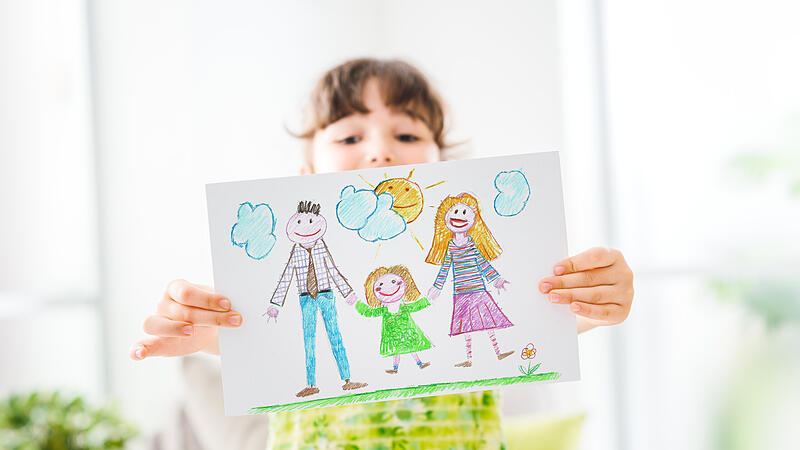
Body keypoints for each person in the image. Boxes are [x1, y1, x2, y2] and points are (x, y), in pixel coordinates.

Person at [131, 58, 635, 449]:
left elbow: (544, 318)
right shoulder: (295, 257)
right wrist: (201, 334)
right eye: (350, 135)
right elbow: (261, 340)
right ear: (305, 178)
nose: (379, 151)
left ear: (445, 166)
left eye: (408, 134)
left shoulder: (457, 245)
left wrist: (598, 298)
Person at [266, 200, 367, 397]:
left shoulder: (321, 247)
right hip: (306, 298)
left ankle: (347, 380)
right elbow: (287, 276)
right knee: (308, 339)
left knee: (335, 335)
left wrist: (348, 293)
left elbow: (332, 270)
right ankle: (311, 384)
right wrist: (275, 303)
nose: (306, 227)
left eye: (311, 221)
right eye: (300, 222)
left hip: (326, 295)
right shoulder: (296, 252)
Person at [426, 193, 514, 367]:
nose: (459, 216)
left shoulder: (472, 243)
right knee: (466, 327)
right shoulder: (450, 247)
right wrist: (436, 287)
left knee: (487, 322)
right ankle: (468, 359)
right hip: (461, 292)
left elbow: (482, 263)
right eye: (455, 211)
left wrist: (497, 280)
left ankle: (499, 352)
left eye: (465, 213)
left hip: (478, 289)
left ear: (474, 219)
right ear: (445, 218)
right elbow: (445, 268)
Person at [356, 264, 433, 374]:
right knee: (397, 351)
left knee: (411, 348)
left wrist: (429, 299)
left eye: (393, 282)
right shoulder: (384, 310)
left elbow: (417, 305)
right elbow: (369, 312)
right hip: (393, 336)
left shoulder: (404, 307)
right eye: (381, 284)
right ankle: (396, 368)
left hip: (408, 333)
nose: (388, 288)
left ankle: (419, 363)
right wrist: (356, 303)